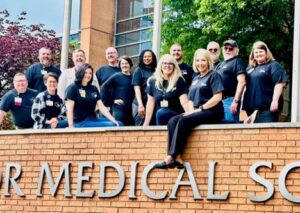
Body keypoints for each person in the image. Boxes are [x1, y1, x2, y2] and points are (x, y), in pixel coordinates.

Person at [154, 48, 224, 169]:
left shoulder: (213, 75)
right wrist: (190, 111)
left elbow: (218, 97)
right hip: (197, 111)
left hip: (212, 111)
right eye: (197, 61)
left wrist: (201, 108)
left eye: (203, 60)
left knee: (182, 121)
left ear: (208, 62)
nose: (200, 63)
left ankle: (170, 156)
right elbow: (190, 99)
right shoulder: (196, 78)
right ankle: (178, 158)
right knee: (173, 120)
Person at [243, 41, 287, 123]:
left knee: (266, 134)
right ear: (253, 54)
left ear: (266, 53)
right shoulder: (249, 69)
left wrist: (275, 101)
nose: (258, 54)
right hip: (251, 109)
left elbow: (280, 83)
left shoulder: (273, 65)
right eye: (256, 52)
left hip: (268, 108)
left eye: (261, 51)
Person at [65, 63, 122, 128]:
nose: (88, 75)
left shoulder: (93, 88)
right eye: (85, 72)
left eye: (90, 73)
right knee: (112, 125)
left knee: (119, 123)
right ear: (80, 73)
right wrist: (71, 126)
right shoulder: (72, 88)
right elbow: (69, 109)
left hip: (93, 119)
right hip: (80, 122)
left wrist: (113, 119)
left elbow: (101, 107)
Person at [143, 54, 189, 126]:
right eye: (165, 63)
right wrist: (145, 124)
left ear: (174, 67)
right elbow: (150, 103)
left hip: (175, 116)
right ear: (160, 66)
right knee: (160, 113)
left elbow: (184, 101)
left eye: (170, 63)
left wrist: (189, 114)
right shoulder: (153, 81)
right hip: (160, 117)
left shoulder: (179, 80)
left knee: (162, 112)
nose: (167, 65)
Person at [215, 39, 246, 123]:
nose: (228, 50)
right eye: (226, 48)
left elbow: (242, 82)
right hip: (218, 101)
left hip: (230, 100)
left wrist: (235, 101)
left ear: (236, 50)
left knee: (230, 128)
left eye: (230, 48)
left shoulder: (237, 62)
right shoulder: (219, 65)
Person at [101, 56, 135, 126]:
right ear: (120, 65)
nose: (124, 65)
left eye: (126, 63)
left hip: (130, 111)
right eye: (122, 64)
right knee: (118, 130)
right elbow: (103, 88)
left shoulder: (133, 78)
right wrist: (111, 101)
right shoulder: (116, 76)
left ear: (130, 65)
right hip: (119, 110)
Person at [132, 49, 157, 126]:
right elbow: (136, 88)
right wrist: (140, 105)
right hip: (140, 104)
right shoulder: (138, 70)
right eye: (145, 56)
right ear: (141, 58)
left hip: (151, 105)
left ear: (153, 58)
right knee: (141, 129)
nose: (147, 58)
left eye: (149, 56)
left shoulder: (155, 71)